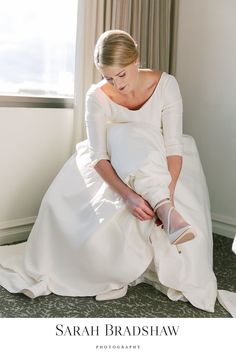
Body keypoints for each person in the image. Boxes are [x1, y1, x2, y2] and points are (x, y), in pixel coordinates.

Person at [0, 30, 218, 311]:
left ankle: (163, 207)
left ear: (136, 61)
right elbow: (98, 156)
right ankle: (160, 217)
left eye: (122, 75)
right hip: (115, 164)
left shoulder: (166, 85)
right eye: (108, 78)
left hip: (160, 161)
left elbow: (173, 145)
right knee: (129, 134)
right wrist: (127, 195)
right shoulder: (97, 96)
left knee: (146, 138)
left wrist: (170, 192)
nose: (117, 84)